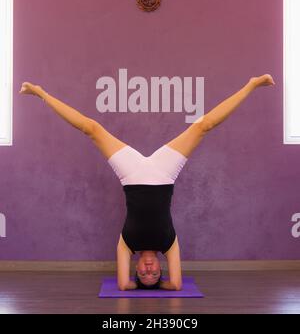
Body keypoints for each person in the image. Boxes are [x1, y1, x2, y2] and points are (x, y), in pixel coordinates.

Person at [19, 74, 275, 290]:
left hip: (131, 175)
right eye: (154, 274)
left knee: (91, 128)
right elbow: (175, 284)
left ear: (136, 268)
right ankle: (251, 85)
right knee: (203, 126)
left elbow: (122, 285)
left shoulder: (126, 244)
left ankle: (41, 93)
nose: (149, 270)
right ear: (161, 268)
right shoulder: (169, 243)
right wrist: (161, 286)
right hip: (164, 174)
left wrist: (136, 286)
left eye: (143, 274)